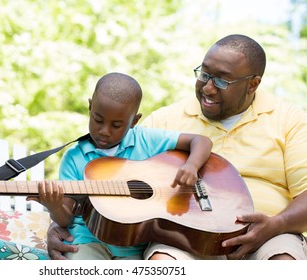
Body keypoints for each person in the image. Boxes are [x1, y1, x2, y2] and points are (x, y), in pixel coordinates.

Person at [46, 34, 307, 260]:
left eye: (222, 81)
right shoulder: (165, 120)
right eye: (204, 74)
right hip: (182, 237)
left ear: (253, 83)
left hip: (267, 234)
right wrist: (58, 223)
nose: (208, 88)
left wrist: (276, 225)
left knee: (282, 261)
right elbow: (113, 179)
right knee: (163, 262)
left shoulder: (290, 120)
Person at [30, 72, 213, 260]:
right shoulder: (74, 158)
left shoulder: (146, 139)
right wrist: (54, 206)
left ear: (134, 121)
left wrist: (192, 165)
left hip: (133, 244)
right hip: (87, 241)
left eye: (116, 125)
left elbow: (201, 141)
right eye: (98, 120)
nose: (104, 131)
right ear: (90, 107)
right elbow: (66, 219)